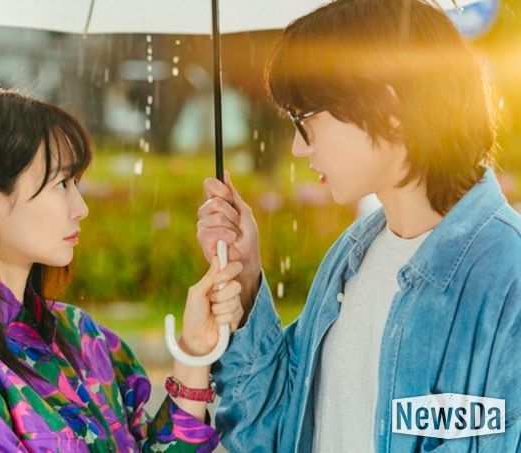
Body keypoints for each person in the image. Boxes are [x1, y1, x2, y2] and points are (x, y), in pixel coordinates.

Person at [196, 0, 521, 451]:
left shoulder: (507, 280)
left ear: (389, 108)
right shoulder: (352, 257)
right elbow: (275, 435)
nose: (298, 148)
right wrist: (246, 278)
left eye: (304, 120)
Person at [0, 87, 244, 452]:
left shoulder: (81, 336)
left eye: (76, 182)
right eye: (61, 183)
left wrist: (193, 351)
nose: (81, 207)